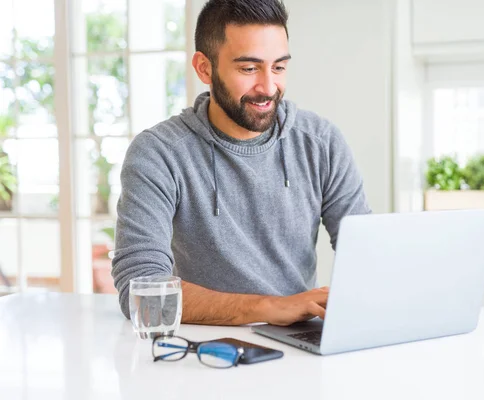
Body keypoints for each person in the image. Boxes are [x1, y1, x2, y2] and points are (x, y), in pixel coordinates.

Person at [112, 0, 370, 327]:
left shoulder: (320, 142)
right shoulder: (159, 153)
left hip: (299, 348)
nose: (268, 87)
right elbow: (141, 294)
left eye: (278, 67)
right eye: (249, 69)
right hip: (200, 354)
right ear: (204, 68)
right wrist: (267, 308)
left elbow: (366, 258)